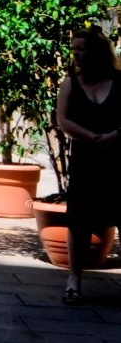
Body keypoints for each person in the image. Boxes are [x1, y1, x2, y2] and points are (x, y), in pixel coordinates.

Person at [55, 29, 121, 304]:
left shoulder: (120, 81)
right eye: (75, 49)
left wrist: (115, 135)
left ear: (97, 51)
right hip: (85, 158)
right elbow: (63, 119)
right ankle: (74, 280)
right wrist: (89, 135)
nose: (78, 54)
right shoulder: (70, 82)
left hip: (118, 157)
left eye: (83, 48)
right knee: (78, 220)